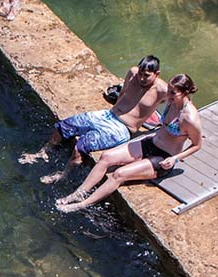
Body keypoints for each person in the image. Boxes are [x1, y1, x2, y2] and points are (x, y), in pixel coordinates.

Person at [56, 73, 202, 211]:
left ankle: (82, 204)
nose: (168, 95)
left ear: (186, 92)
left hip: (163, 157)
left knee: (119, 174)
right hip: (150, 143)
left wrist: (174, 159)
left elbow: (197, 145)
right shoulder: (171, 102)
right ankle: (78, 193)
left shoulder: (189, 118)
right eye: (168, 90)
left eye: (173, 93)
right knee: (106, 157)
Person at [19, 55, 167, 179]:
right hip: (108, 115)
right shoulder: (133, 72)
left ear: (157, 74)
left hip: (123, 128)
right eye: (141, 73)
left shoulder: (162, 90)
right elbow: (123, 93)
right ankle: (43, 152)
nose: (141, 78)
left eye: (146, 76)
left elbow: (182, 104)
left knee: (81, 147)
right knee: (63, 126)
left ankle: (63, 175)